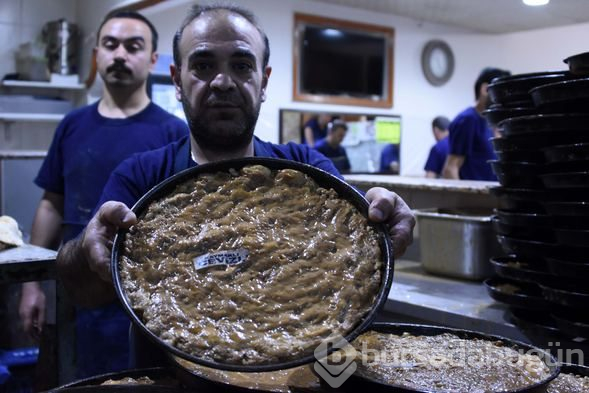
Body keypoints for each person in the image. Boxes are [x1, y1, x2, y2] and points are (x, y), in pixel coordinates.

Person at [54, 3, 415, 367]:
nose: (222, 81)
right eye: (203, 65)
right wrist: (87, 248)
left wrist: (381, 226)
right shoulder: (141, 177)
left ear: (264, 81)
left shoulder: (308, 172)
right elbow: (83, 291)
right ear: (177, 81)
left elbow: (357, 264)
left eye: (241, 66)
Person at [18, 10, 189, 378]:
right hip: (74, 290)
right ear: (97, 54)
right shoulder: (72, 124)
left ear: (153, 59)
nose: (120, 55)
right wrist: (33, 285)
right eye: (110, 45)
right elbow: (52, 202)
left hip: (143, 301)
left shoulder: (175, 132)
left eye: (133, 46)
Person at [442, 67, 510, 181]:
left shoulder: (491, 122)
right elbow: (451, 168)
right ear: (485, 89)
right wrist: (463, 198)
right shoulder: (467, 120)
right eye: (501, 92)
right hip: (473, 197)